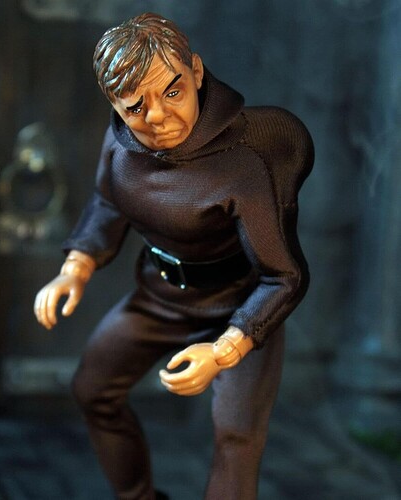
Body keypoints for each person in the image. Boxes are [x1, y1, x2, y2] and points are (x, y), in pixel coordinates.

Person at [34, 12, 313, 500]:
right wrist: (75, 268)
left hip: (239, 308)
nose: (158, 118)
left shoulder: (242, 164)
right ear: (114, 105)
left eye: (172, 92)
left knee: (237, 436)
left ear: (196, 72)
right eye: (135, 106)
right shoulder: (121, 145)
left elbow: (284, 277)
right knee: (92, 390)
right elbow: (107, 204)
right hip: (159, 298)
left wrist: (225, 350)